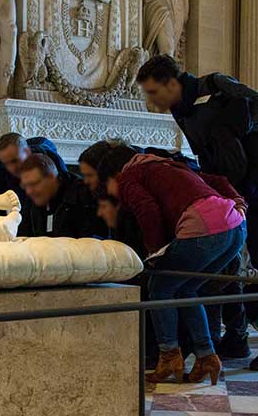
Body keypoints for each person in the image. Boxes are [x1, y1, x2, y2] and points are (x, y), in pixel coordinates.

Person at [136, 54, 258, 370]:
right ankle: (236, 334)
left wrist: (234, 133)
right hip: (229, 190)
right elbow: (204, 152)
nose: (152, 100)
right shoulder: (181, 110)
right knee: (227, 261)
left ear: (171, 83)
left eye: (153, 92)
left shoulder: (214, 84)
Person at [97, 144, 247, 385]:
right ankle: (206, 356)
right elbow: (218, 180)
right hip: (236, 227)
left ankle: (169, 357)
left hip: (204, 230)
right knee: (186, 289)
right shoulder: (167, 164)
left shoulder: (127, 175)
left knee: (159, 287)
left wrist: (155, 253)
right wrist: (239, 201)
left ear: (113, 175)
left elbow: (147, 210)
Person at [17, 154, 106, 238]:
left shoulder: (82, 196)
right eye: (26, 185)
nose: (29, 191)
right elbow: (22, 235)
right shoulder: (33, 198)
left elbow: (92, 243)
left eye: (34, 184)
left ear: (51, 178)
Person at [0, 133, 67, 208]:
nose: (12, 168)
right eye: (6, 163)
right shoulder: (0, 166)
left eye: (15, 161)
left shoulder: (53, 160)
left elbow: (65, 192)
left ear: (27, 152)